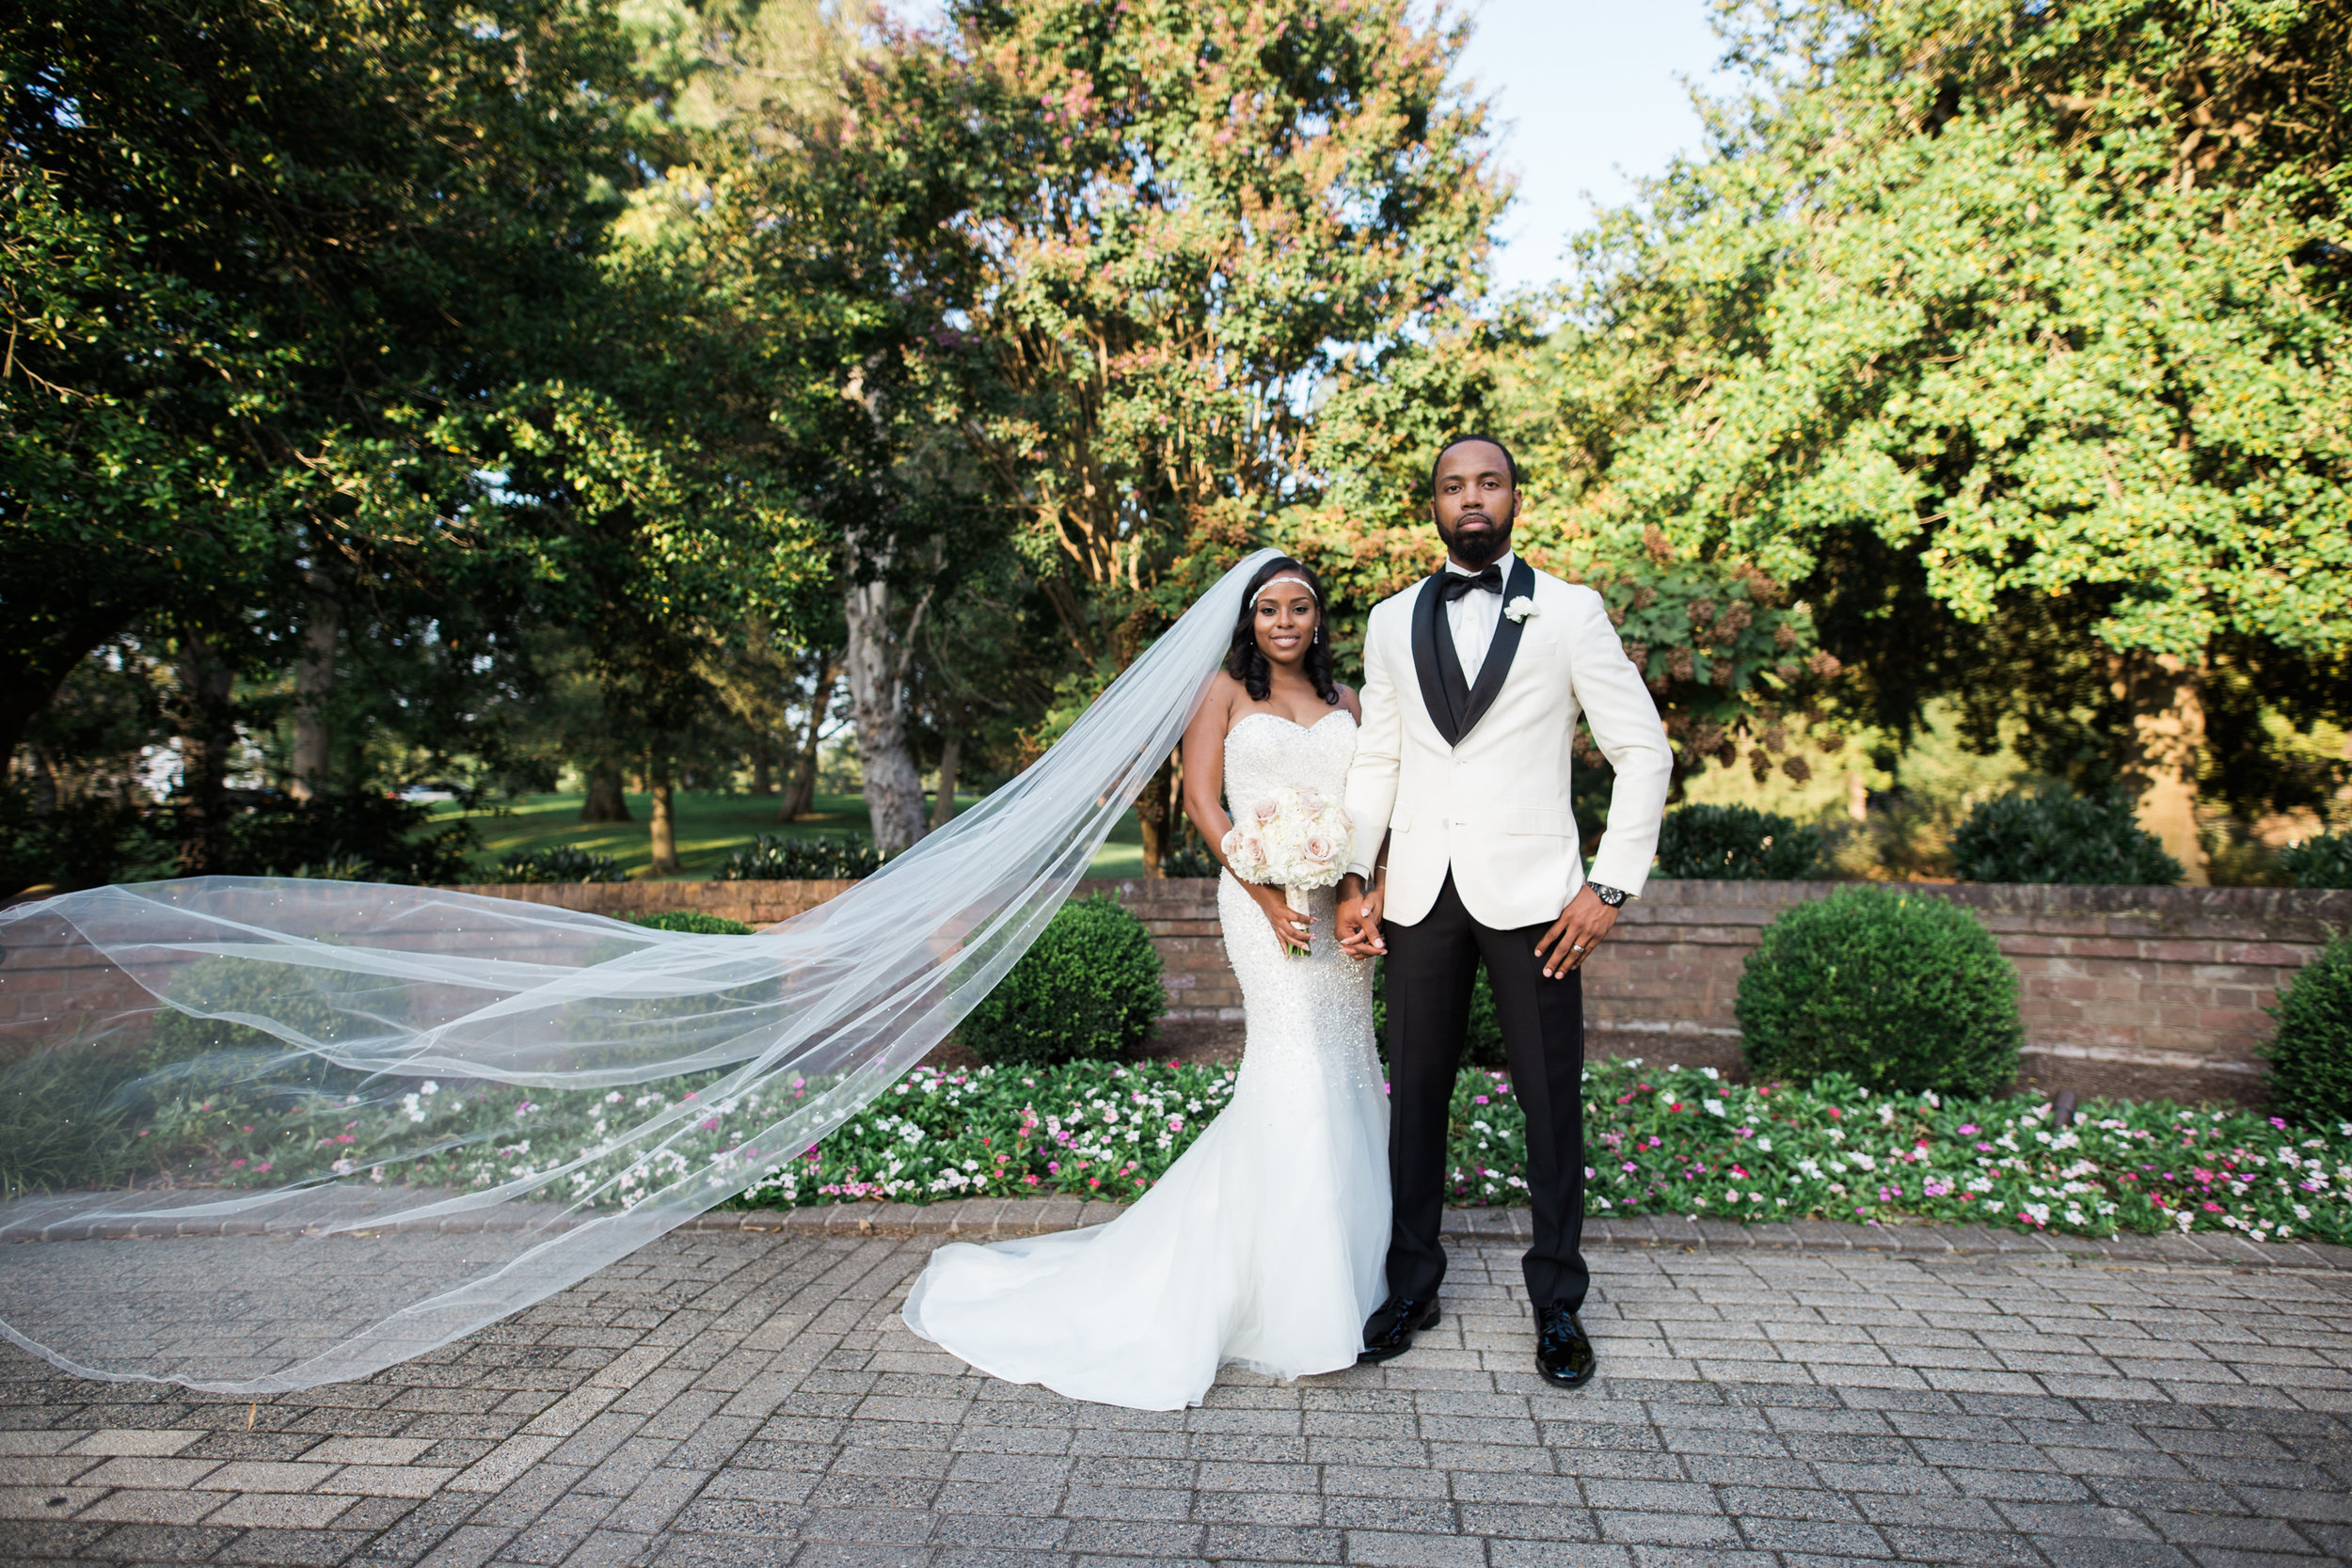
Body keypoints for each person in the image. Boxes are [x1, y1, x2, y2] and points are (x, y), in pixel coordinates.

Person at [900, 557, 1390, 1410]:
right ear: (1250, 620)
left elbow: (1365, 808)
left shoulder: (1349, 703)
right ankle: (1293, 1306)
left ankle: (1349, 1281)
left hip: (1336, 912)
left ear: (1318, 618)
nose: (1284, 620)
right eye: (1268, 608)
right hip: (1260, 903)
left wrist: (1356, 889)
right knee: (1296, 1071)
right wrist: (1273, 899)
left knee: (1349, 1066)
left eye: (1299, 607)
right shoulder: (1222, 693)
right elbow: (1204, 804)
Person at [1337, 434, 1673, 1389]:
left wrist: (1608, 885)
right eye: (1453, 486)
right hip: (1419, 894)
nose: (1470, 498)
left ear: (1514, 496)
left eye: (1487, 482)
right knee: (1416, 1098)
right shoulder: (1391, 617)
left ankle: (1557, 1302)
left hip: (1538, 899)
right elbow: (1380, 760)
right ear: (1433, 505)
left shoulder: (1570, 611)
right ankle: (1412, 1284)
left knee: (1549, 1100)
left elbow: (1643, 751)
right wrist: (1357, 876)